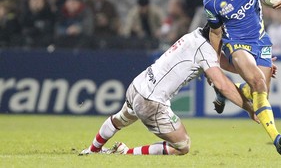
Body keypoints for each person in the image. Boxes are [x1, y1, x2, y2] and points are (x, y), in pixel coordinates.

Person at [79, 24, 256, 156]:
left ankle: (92, 150)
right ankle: (126, 153)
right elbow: (223, 85)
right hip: (152, 102)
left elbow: (222, 62)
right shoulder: (205, 51)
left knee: (121, 118)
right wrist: (249, 108)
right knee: (182, 145)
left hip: (138, 85)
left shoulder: (194, 35)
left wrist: (251, 68)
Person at [203, 0, 281, 156]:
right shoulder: (211, 1)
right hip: (236, 44)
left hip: (261, 40)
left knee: (261, 94)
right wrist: (214, 66)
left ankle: (226, 91)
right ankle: (277, 138)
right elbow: (216, 33)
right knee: (258, 83)